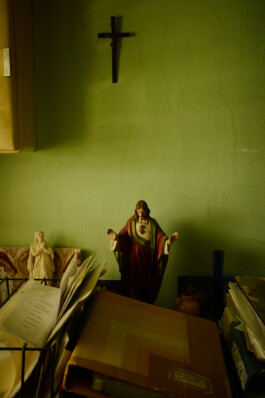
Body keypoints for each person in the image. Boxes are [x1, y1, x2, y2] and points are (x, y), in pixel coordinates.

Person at [108, 200, 178, 303]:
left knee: (147, 282)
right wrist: (116, 238)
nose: (140, 214)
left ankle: (147, 303)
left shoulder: (152, 223)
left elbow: (161, 237)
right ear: (136, 211)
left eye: (143, 212)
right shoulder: (131, 222)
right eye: (138, 212)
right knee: (133, 282)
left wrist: (167, 242)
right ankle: (134, 304)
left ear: (147, 211)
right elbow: (123, 234)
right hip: (134, 260)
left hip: (148, 259)